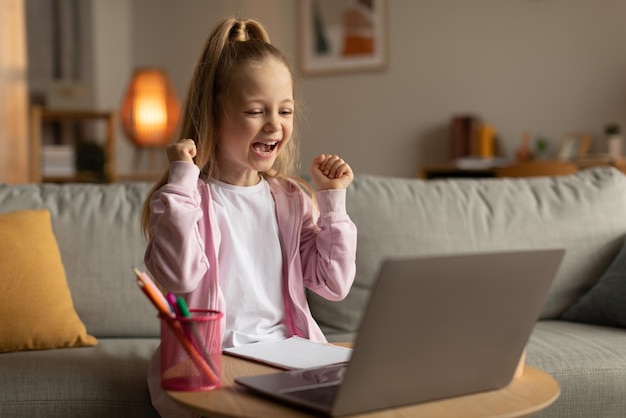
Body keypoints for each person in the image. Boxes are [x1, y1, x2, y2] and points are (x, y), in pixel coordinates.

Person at [140, 17, 357, 417]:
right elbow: (179, 276)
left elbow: (333, 284)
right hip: (209, 360)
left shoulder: (292, 199)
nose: (274, 124)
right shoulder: (186, 199)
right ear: (214, 115)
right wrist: (182, 180)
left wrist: (332, 202)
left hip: (289, 358)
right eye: (256, 110)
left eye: (285, 111)